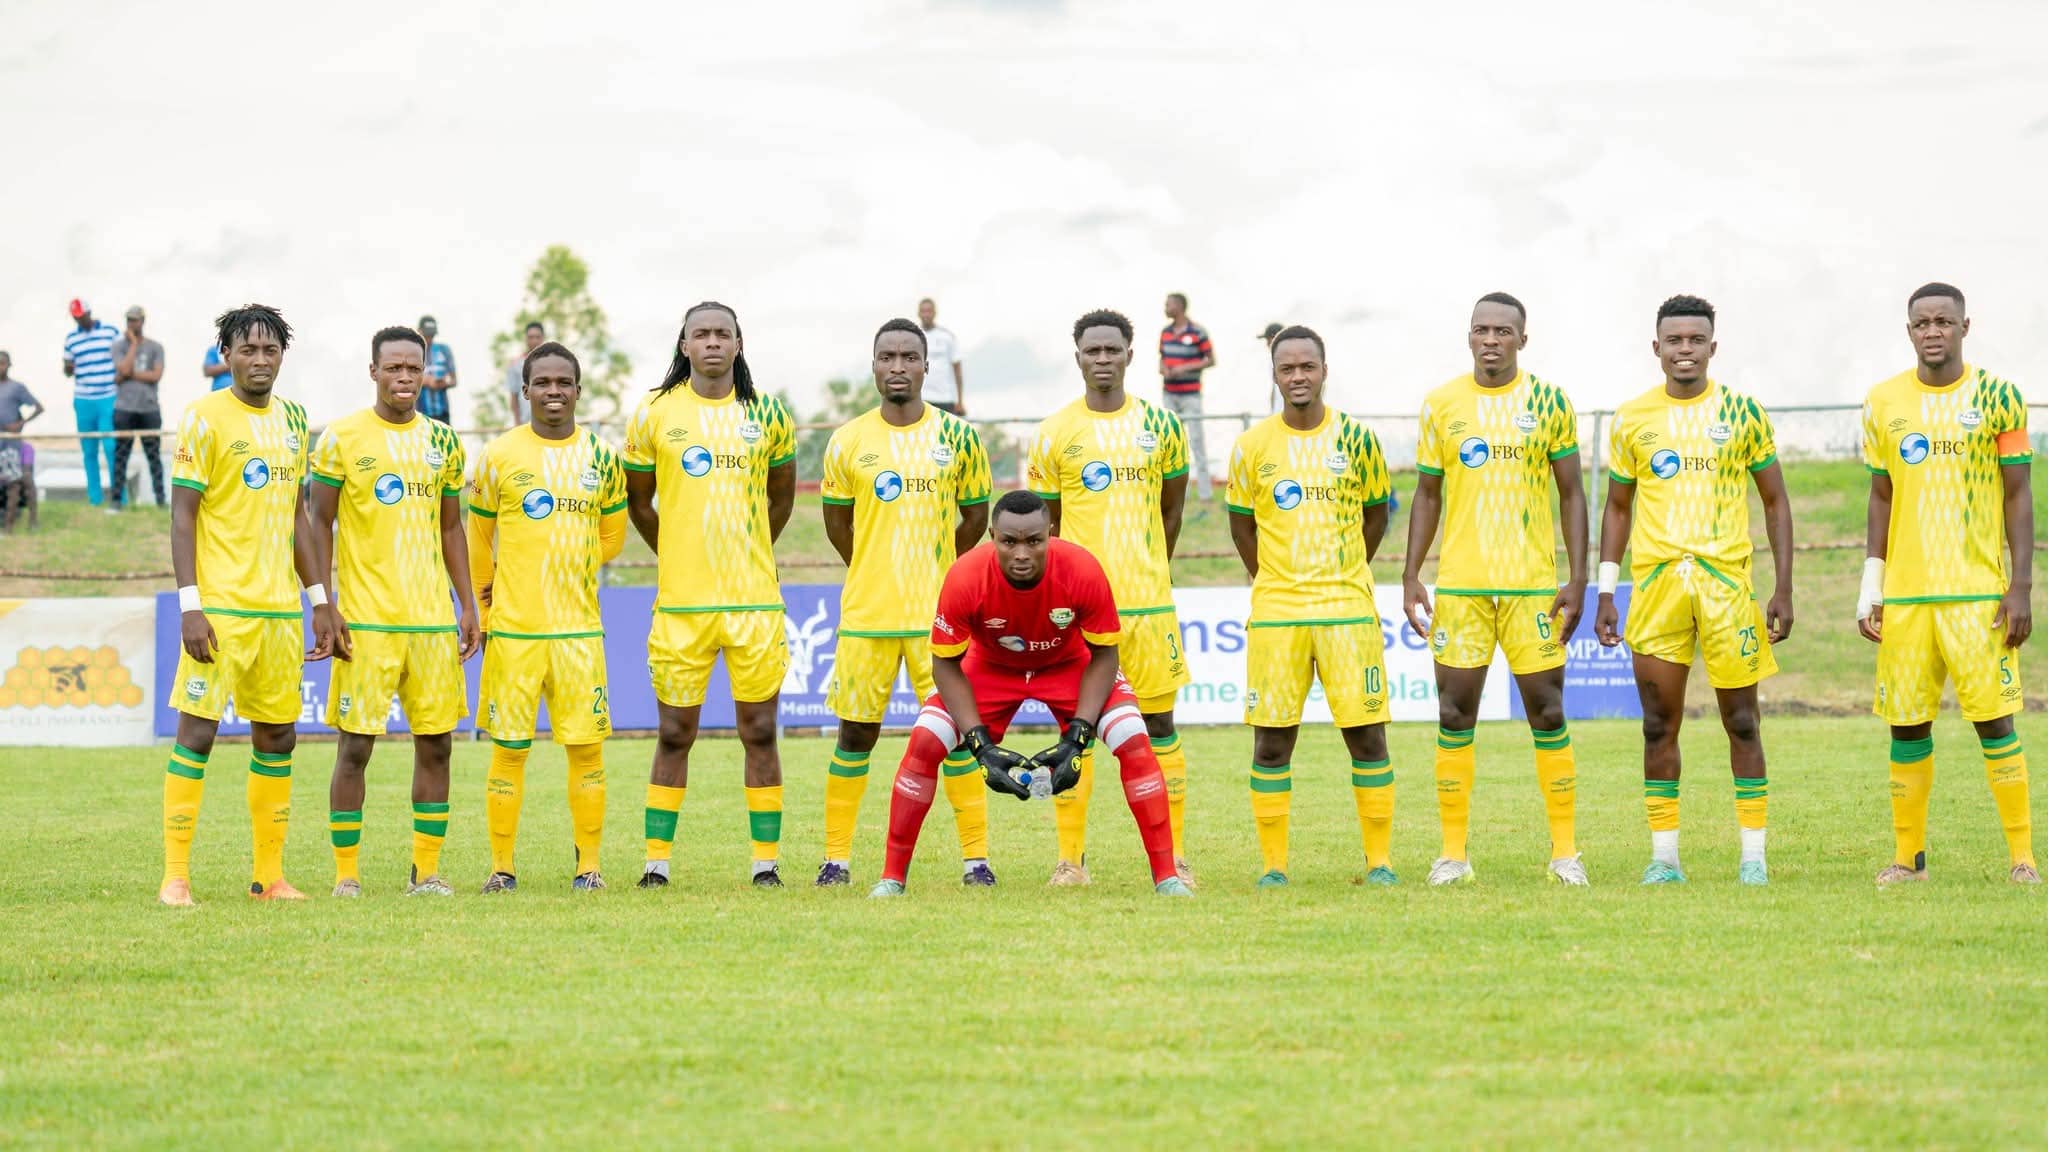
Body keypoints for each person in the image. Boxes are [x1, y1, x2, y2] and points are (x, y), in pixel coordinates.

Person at [869, 489, 1190, 897]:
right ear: (992, 537)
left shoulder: (1082, 568)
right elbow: (945, 664)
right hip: (989, 669)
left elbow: (1105, 655)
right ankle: (891, 879)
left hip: (1071, 665)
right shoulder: (965, 576)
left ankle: (1168, 877)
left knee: (1133, 739)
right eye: (1009, 541)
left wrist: (1078, 736)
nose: (1021, 553)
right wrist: (981, 746)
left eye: (1034, 541)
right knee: (924, 742)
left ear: (1050, 534)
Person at [1594, 294, 1793, 886]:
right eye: (1674, 341)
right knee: (1658, 725)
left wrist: (1783, 586)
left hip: (1727, 587)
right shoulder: (1632, 418)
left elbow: (1776, 501)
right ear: (1656, 347)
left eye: (1696, 340)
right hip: (1658, 588)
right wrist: (1606, 591)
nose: (1685, 350)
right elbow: (1618, 507)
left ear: (1713, 346)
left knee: (1743, 722)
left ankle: (1753, 859)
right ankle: (1665, 859)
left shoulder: (1743, 413)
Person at [1401, 293, 1591, 887]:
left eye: (1503, 331)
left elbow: (1572, 494)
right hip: (1462, 588)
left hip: (1532, 587)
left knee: (1548, 711)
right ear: (1469, 337)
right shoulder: (1441, 404)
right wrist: (1411, 573)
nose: (1491, 339)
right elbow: (1427, 494)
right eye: (1481, 329)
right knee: (1454, 713)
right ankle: (1452, 855)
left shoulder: (1549, 401)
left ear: (1522, 340)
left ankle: (1565, 854)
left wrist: (1577, 577)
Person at [1859, 282, 2036, 886]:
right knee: (1907, 726)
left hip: (1977, 595)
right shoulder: (1882, 401)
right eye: (1921, 323)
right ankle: (1909, 861)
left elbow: (2018, 494)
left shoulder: (1998, 397)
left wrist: (2020, 585)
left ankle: (2023, 860)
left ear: (1965, 327)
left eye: (1943, 321)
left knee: (1996, 724)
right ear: (1909, 331)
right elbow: (1880, 495)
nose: (1932, 331)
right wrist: (1872, 583)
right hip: (1906, 597)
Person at [158, 304, 333, 907]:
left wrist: (319, 599)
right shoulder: (203, 417)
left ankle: (269, 878)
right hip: (222, 609)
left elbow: (297, 516)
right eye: (248, 350)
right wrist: (191, 604)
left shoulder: (295, 419)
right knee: (197, 734)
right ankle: (175, 877)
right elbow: (182, 516)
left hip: (280, 613)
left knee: (278, 736)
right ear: (226, 355)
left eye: (270, 350)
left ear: (282, 356)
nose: (260, 360)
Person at [814, 318, 994, 887]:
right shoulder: (847, 441)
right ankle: (836, 860)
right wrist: (873, 566)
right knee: (854, 736)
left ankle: (977, 861)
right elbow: (837, 524)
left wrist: (943, 573)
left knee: (957, 737)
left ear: (925, 366)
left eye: (908, 357)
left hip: (938, 620)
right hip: (867, 616)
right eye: (887, 357)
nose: (897, 367)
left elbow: (976, 516)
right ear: (874, 367)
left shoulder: (959, 438)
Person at [625, 302, 798, 888]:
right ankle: (655, 866)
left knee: (760, 732)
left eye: (723, 333)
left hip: (754, 604)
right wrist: (676, 551)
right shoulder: (654, 411)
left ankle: (765, 866)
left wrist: (750, 549)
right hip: (681, 606)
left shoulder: (768, 413)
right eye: (701, 334)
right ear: (685, 345)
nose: (713, 343)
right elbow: (639, 501)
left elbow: (781, 498)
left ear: (739, 343)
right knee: (675, 734)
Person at [307, 325, 482, 898]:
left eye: (414, 368)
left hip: (431, 622)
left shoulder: (444, 442)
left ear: (425, 372)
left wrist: (466, 603)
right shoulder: (341, 438)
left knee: (437, 744)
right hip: (367, 621)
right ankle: (346, 875)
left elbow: (452, 528)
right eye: (394, 368)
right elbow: (319, 523)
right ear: (374, 371)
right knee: (356, 746)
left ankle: (425, 873)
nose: (404, 377)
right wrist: (325, 602)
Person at [1027, 308, 1194, 887]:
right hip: (1078, 614)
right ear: (1078, 357)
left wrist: (1148, 568)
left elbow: (1172, 510)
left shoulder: (1163, 426)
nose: (1103, 359)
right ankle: (1070, 861)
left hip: (1148, 606)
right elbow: (1043, 531)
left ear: (1130, 355)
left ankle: (1174, 858)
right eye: (1092, 350)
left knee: (1160, 726)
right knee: (1074, 732)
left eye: (1112, 349)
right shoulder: (1054, 432)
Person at [1226, 326, 1397, 887]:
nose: (1298, 376)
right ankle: (1274, 867)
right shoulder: (1252, 446)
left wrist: (1346, 569)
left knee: (1367, 736)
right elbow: (1241, 526)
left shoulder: (1358, 439)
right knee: (1272, 741)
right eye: (1287, 368)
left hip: (1348, 610)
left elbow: (1377, 514)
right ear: (1274, 375)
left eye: (1307, 366)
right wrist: (1274, 579)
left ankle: (1379, 862)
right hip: (1278, 614)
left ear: (1324, 370)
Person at [468, 341, 628, 893]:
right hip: (514, 632)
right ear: (525, 391)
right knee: (509, 750)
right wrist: (487, 611)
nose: (553, 391)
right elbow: (478, 540)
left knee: (586, 751)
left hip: (579, 633)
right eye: (543, 382)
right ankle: (502, 869)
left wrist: (566, 559)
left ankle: (589, 869)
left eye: (564, 382)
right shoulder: (498, 456)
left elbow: (612, 538)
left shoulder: (603, 458)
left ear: (578, 390)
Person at [61, 298, 120, 508]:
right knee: (89, 450)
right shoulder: (71, 339)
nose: (79, 320)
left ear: (89, 312)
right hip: (83, 399)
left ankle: (118, 496)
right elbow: (67, 370)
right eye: (75, 317)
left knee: (111, 447)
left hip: (108, 396)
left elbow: (121, 358)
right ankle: (95, 498)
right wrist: (68, 367)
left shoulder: (110, 332)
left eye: (81, 316)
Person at [111, 305, 168, 509]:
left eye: (135, 320)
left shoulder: (156, 347)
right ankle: (116, 501)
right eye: (129, 320)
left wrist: (126, 376)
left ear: (143, 321)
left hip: (149, 409)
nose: (132, 323)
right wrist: (134, 345)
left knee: (153, 456)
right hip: (124, 409)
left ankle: (160, 500)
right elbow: (124, 368)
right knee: (121, 456)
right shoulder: (118, 346)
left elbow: (156, 375)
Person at [1159, 292, 1215, 501]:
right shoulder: (1165, 333)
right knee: (1172, 443)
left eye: (1169, 304)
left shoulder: (1198, 332)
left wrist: (1185, 368)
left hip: (1191, 395)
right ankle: (1178, 493)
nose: (1165, 308)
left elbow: (1210, 360)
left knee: (1197, 442)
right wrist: (1164, 370)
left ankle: (1205, 494)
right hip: (1169, 394)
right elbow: (1161, 359)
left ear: (1180, 306)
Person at [0, 352, 44, 532]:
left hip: (13, 446)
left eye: (2, 363)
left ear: (9, 365)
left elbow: (38, 407)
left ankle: (31, 522)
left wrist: (20, 424)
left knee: (22, 481)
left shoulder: (16, 388)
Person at [917, 298, 965, 415]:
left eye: (929, 311)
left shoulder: (947, 337)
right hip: (921, 398)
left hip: (945, 398)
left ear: (935, 313)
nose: (926, 314)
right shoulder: (914, 336)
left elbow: (958, 371)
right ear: (919, 313)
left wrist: (960, 401)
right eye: (923, 311)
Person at [503, 321, 543, 427]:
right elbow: (514, 396)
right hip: (526, 421)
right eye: (531, 337)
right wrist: (517, 423)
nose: (534, 340)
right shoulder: (515, 365)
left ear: (542, 338)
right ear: (526, 339)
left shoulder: (553, 362)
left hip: (550, 420)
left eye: (537, 337)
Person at [417, 315, 456, 424]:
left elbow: (453, 379)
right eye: (426, 335)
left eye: (432, 335)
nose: (429, 339)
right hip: (420, 414)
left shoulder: (444, 350)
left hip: (443, 413)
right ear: (419, 331)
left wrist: (443, 382)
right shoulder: (412, 352)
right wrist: (426, 381)